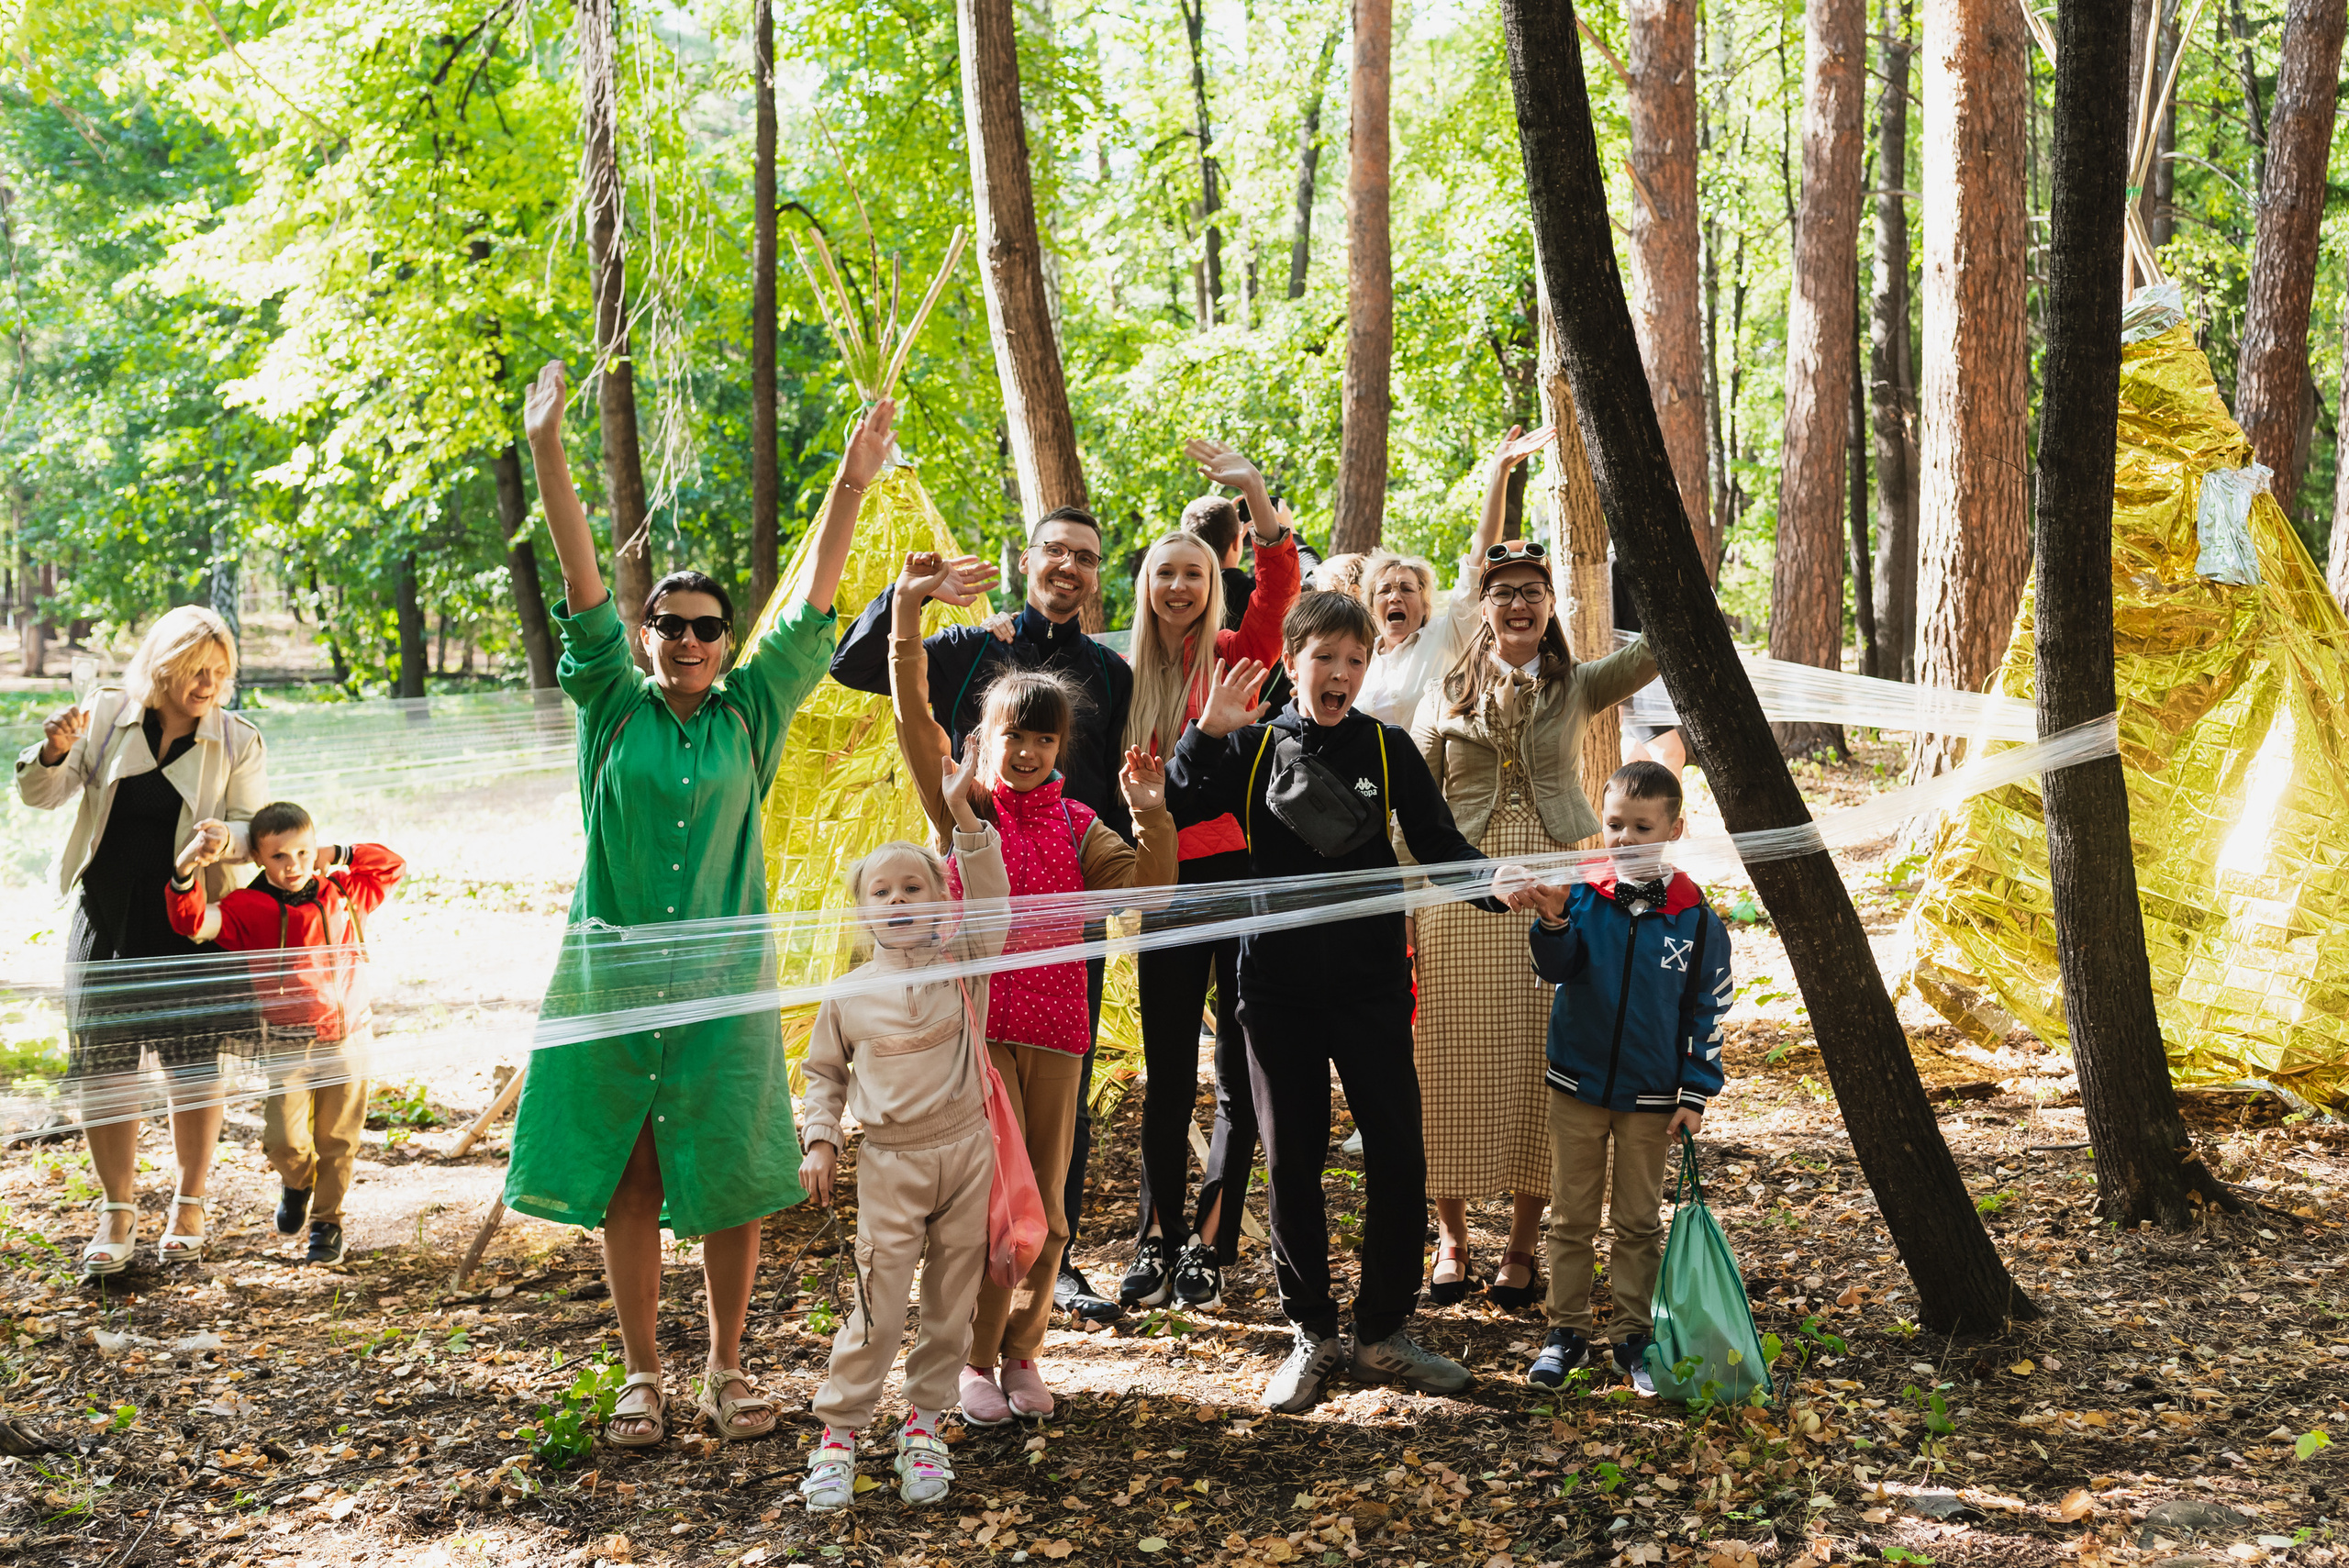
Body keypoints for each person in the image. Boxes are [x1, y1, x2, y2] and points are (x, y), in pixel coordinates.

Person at [503, 359, 880, 1449]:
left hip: (721, 976)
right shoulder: (610, 704)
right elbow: (579, 575)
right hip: (611, 968)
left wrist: (852, 482)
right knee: (630, 1162)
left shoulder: (752, 711)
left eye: (706, 625)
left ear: (726, 639)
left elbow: (813, 604)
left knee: (723, 1171)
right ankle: (641, 1373)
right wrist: (547, 453)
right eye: (668, 621)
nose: (686, 638)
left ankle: (725, 1366)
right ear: (647, 631)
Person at [1166, 593, 1520, 1414]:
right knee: (1292, 1163)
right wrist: (1206, 733)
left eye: (1355, 660)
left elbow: (1438, 843)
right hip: (1274, 991)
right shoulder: (1251, 748)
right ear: (1294, 660)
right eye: (1325, 657)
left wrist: (1497, 885)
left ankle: (1381, 1333)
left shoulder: (1388, 749)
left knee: (1399, 1154)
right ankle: (1312, 1332)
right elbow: (1177, 807)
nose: (1341, 674)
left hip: (1369, 987)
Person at [887, 553, 1177, 1423]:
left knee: (1047, 1215)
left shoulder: (1079, 823)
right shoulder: (961, 808)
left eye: (1043, 740)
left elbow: (1148, 896)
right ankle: (969, 1362)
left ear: (1060, 748)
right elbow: (911, 717)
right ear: (985, 736)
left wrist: (1152, 813)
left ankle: (1021, 1351)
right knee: (992, 1210)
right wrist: (908, 616)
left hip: (1058, 1032)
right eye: (1013, 735)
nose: (1026, 753)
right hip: (975, 1038)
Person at [833, 500, 1135, 1324]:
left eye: (1085, 554)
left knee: (1052, 1129)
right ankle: (972, 1325)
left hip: (1067, 915)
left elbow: (1111, 792)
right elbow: (868, 675)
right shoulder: (975, 644)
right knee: (982, 1153)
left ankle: (1044, 1285)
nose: (1068, 565)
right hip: (980, 947)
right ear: (1027, 559)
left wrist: (1111, 856)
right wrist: (912, 599)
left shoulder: (1111, 673)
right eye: (1055, 550)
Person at [1409, 540, 1656, 1311]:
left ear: (1550, 607)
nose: (1519, 604)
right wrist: (1406, 904)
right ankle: (1451, 1240)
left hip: (1557, 883)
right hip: (1461, 892)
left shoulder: (1577, 684)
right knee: (1449, 1057)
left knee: (1540, 1059)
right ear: (1483, 606)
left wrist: (1649, 555)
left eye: (1532, 593)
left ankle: (1522, 1244)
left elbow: (1655, 651)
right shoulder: (1442, 693)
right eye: (1505, 592)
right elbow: (1414, 802)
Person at [17, 606, 266, 1275]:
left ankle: (190, 1201)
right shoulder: (105, 714)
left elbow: (253, 830)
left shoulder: (238, 740)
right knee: (106, 1070)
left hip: (187, 919)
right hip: (108, 916)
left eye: (220, 672)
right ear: (163, 666)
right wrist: (53, 751)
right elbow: (43, 793)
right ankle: (117, 1211)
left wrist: (225, 841)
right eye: (196, 670)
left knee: (191, 1064)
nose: (209, 683)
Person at [796, 750, 1006, 1511]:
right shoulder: (848, 995)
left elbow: (997, 906)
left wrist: (965, 819)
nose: (898, 898)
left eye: (913, 885)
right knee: (879, 1302)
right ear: (863, 910)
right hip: (889, 1163)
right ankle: (840, 1434)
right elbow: (824, 1075)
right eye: (881, 891)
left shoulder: (962, 965)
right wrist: (821, 1138)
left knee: (952, 1298)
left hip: (967, 1150)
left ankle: (923, 1424)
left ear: (940, 897)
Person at [1120, 444, 1301, 1315]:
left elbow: (1278, 590)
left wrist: (1256, 494)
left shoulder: (1239, 652)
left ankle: (1208, 1244)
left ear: (1211, 577)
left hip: (1239, 881)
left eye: (1193, 572)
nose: (1180, 587)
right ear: (1148, 586)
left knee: (1237, 1064)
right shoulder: (1127, 676)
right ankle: (1154, 1238)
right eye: (1166, 575)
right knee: (1166, 1071)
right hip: (1161, 888)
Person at [1500, 762, 1731, 1391]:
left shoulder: (1696, 918)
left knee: (1637, 1221)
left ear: (1675, 828)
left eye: (1641, 825)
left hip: (1652, 1099)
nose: (1624, 837)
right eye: (1614, 824)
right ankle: (1564, 1331)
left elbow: (1709, 1007)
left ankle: (1633, 1337)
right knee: (1571, 1216)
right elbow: (1557, 968)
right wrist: (1551, 922)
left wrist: (1695, 1091)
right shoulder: (1580, 894)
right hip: (1576, 1085)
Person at [166, 801, 405, 1267]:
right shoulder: (246, 907)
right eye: (279, 856)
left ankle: (327, 1224)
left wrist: (336, 851)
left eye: (301, 852)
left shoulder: (344, 892)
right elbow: (192, 921)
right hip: (288, 1042)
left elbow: (391, 865)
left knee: (338, 1140)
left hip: (349, 1036)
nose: (292, 865)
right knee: (284, 1141)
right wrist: (185, 868)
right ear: (258, 857)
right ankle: (298, 1183)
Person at [1355, 426, 1546, 731]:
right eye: (1385, 591)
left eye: (1407, 588)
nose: (1395, 597)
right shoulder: (1359, 656)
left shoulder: (1445, 637)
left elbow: (1478, 560)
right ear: (1370, 604)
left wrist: (1500, 473)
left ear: (1424, 602)